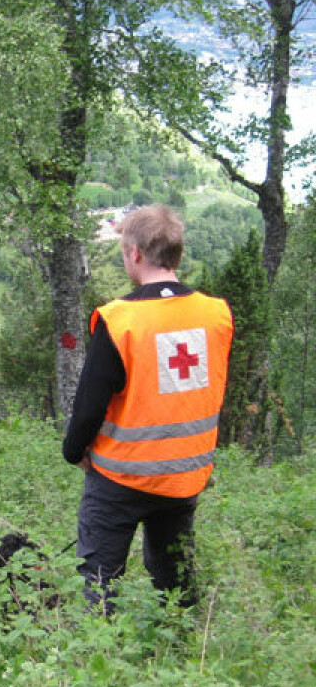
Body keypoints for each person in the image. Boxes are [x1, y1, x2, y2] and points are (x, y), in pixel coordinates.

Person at [62, 205, 233, 614]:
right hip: (186, 475)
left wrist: (74, 452)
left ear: (135, 253)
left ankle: (99, 658)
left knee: (100, 579)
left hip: (121, 475)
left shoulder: (120, 320)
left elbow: (88, 407)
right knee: (174, 574)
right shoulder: (217, 314)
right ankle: (181, 648)